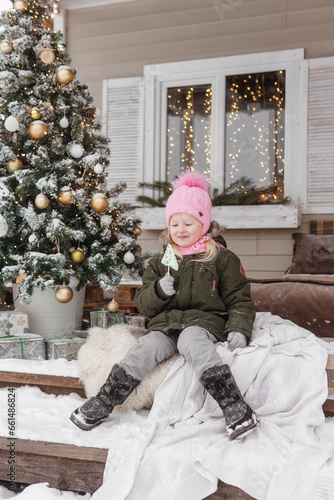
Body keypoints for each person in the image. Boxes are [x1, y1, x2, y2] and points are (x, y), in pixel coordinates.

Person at [70, 171, 259, 440]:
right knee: (145, 347)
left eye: (188, 223)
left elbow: (240, 298)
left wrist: (239, 328)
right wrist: (159, 290)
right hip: (166, 324)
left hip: (202, 322)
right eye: (175, 224)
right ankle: (102, 402)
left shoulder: (221, 258)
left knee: (192, 342)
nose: (180, 230)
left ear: (204, 224)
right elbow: (144, 305)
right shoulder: (161, 262)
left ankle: (235, 406)